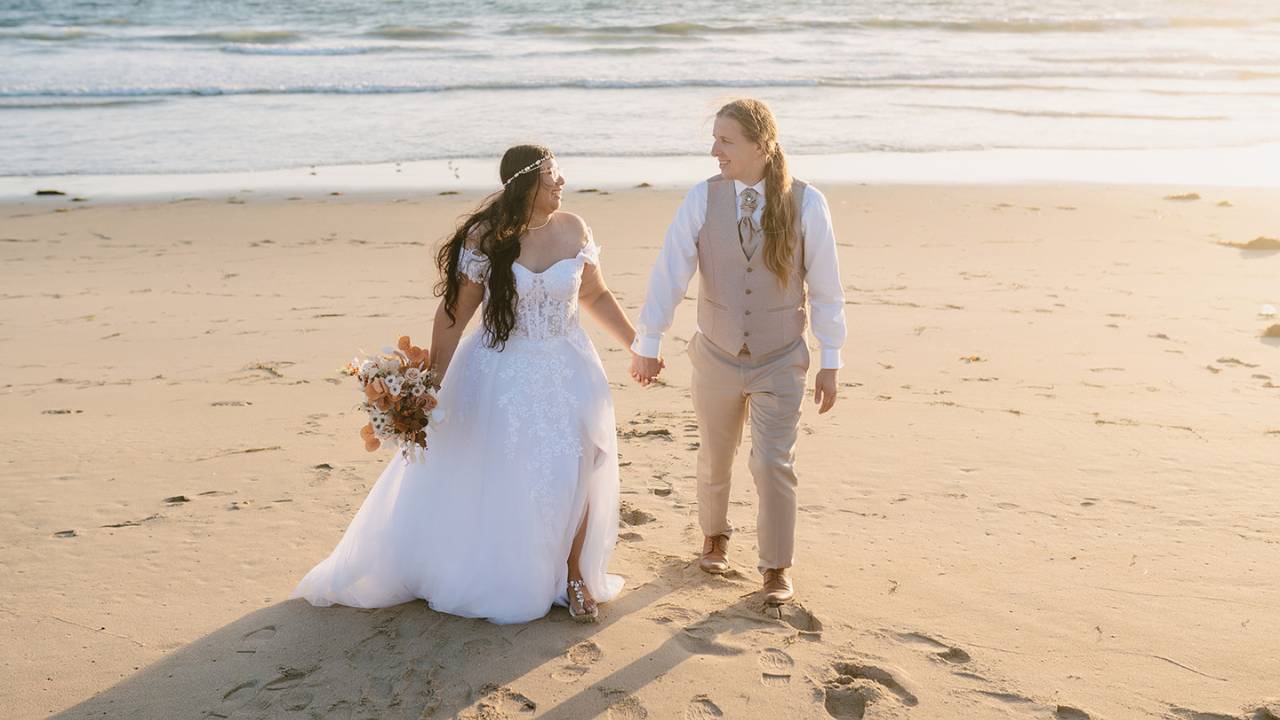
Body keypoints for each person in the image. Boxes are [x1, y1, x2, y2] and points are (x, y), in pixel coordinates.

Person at [292, 145, 635, 624]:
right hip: (501, 368)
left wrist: (636, 343)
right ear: (527, 183)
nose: (562, 183)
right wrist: (431, 383)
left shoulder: (574, 228)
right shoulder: (486, 236)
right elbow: (455, 314)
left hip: (568, 364)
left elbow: (595, 293)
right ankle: (509, 564)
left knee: (582, 460)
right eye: (553, 176)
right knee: (509, 472)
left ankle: (574, 573)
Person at [629, 99, 847, 605]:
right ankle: (715, 536)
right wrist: (649, 342)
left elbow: (828, 289)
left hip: (780, 357)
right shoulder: (702, 200)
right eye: (715, 140)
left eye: (725, 141)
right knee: (715, 453)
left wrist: (830, 359)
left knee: (773, 462)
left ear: (760, 145)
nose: (714, 151)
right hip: (716, 352)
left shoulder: (808, 203)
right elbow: (670, 271)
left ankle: (775, 567)